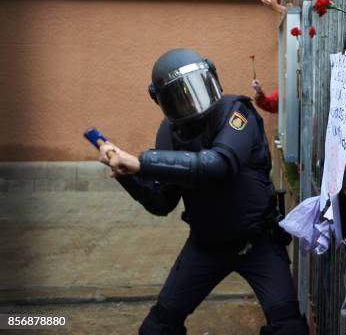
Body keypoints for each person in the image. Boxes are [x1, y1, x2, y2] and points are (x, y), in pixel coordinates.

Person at [97, 48, 307, 335]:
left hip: (258, 243)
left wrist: (141, 162)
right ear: (160, 101)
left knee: (288, 327)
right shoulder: (169, 133)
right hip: (206, 246)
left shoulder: (237, 112)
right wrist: (127, 175)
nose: (189, 102)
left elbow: (219, 164)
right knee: (157, 328)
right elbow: (161, 203)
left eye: (194, 89)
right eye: (177, 97)